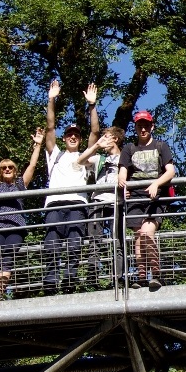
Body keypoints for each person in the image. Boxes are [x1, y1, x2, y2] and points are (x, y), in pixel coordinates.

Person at [41, 79, 100, 294]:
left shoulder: (87, 156)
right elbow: (50, 127)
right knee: (51, 244)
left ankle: (70, 279)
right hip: (54, 204)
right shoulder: (54, 155)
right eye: (69, 135)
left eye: (76, 135)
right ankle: (50, 279)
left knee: (75, 244)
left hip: (77, 204)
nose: (73, 137)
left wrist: (92, 106)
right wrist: (51, 99)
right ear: (64, 138)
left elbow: (95, 132)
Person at [0, 127, 43, 301]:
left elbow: (32, 165)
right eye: (4, 167)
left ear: (15, 170)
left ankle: (0, 293)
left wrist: (37, 145)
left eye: (10, 167)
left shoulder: (20, 185)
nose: (7, 169)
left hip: (16, 227)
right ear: (0, 171)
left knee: (8, 259)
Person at [119, 109, 176, 289]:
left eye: (146, 125)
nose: (143, 129)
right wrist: (123, 187)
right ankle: (142, 276)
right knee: (138, 237)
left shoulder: (161, 146)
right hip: (135, 198)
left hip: (155, 197)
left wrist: (156, 184)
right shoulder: (128, 148)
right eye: (139, 126)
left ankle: (156, 274)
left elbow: (171, 171)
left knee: (146, 233)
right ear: (135, 127)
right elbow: (122, 174)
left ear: (152, 126)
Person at [77, 120, 125, 287]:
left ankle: (117, 278)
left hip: (117, 202)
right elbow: (81, 161)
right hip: (98, 201)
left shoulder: (125, 157)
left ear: (115, 139)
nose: (103, 140)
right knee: (94, 240)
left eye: (106, 137)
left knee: (117, 241)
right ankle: (92, 276)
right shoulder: (99, 158)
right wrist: (96, 145)